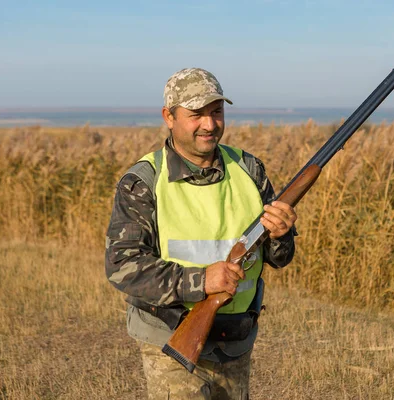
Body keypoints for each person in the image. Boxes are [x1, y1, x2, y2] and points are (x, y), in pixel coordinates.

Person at [105, 67, 297, 400]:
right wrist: (200, 282)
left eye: (216, 112)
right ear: (169, 116)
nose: (209, 125)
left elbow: (279, 258)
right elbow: (122, 266)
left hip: (235, 339)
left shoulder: (249, 170)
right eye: (196, 114)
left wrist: (282, 234)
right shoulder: (144, 181)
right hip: (170, 337)